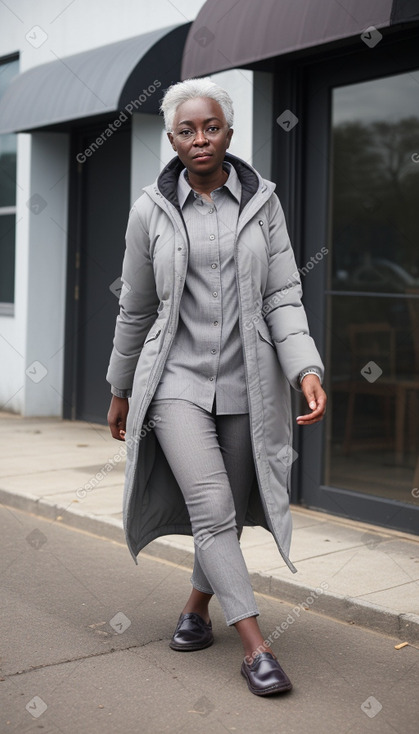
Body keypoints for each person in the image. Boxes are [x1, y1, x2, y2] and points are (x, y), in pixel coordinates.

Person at [107, 78, 326, 697]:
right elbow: (135, 307)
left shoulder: (264, 204)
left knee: (224, 511)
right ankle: (255, 646)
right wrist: (122, 387)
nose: (199, 139)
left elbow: (283, 295)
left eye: (211, 128)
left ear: (229, 133)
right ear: (172, 139)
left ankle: (195, 610)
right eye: (186, 130)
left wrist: (304, 368)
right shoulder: (150, 208)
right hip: (174, 382)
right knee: (211, 505)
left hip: (247, 383)